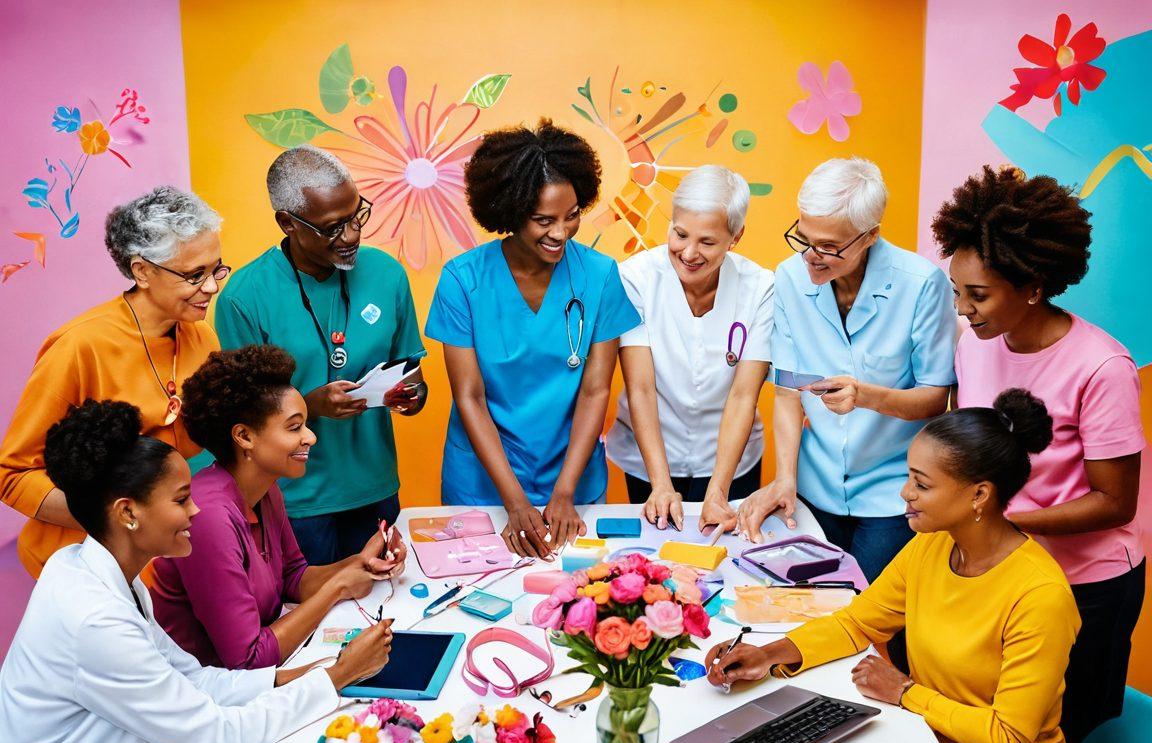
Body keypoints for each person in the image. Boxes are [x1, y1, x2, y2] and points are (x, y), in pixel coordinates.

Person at [0, 399, 391, 743]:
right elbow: (218, 737)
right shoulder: (92, 618)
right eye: (181, 499)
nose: (196, 510)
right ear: (128, 513)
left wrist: (295, 676)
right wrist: (334, 679)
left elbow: (193, 678)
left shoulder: (98, 572)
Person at [709, 389, 1079, 743]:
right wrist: (768, 655)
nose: (905, 493)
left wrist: (904, 691)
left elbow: (1007, 741)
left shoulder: (1039, 596)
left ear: (979, 495)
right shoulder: (931, 548)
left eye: (921, 484)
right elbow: (856, 622)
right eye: (909, 476)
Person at [933, 165, 1145, 743]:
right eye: (958, 292)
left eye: (978, 296)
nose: (964, 310)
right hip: (1011, 571)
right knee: (1001, 734)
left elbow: (1115, 502)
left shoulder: (1102, 367)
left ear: (1032, 286)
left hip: (1085, 585)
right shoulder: (976, 348)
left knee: (1065, 740)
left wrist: (1000, 526)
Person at [425, 119, 641, 559]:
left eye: (572, 215)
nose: (560, 232)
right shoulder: (462, 280)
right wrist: (516, 501)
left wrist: (565, 491)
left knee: (576, 603)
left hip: (572, 477)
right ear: (509, 211)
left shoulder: (599, 276)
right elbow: (470, 397)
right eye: (543, 220)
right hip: (483, 483)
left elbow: (595, 389)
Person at [735, 158, 955, 585]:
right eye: (804, 238)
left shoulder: (922, 284)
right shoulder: (788, 278)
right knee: (805, 607)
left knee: (866, 615)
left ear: (870, 235)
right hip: (813, 488)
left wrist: (866, 395)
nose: (811, 258)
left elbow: (936, 397)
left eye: (830, 247)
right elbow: (785, 392)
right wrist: (785, 479)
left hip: (892, 494)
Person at [214, 145, 427, 566]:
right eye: (332, 227)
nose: (350, 235)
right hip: (294, 502)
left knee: (382, 608)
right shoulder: (243, 298)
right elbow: (243, 419)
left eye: (356, 217)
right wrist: (309, 406)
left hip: (376, 487)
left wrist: (412, 395)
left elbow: (412, 372)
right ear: (288, 223)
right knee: (310, 620)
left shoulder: (388, 274)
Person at [0, 186, 225, 578]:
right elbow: (13, 475)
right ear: (142, 271)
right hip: (81, 564)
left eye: (216, 269)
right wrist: (115, 520)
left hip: (163, 557)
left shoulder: (201, 336)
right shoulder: (78, 347)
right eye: (194, 275)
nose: (211, 287)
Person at [150, 344, 406, 675]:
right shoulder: (208, 517)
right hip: (210, 696)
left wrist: (361, 564)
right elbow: (248, 659)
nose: (310, 437)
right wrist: (338, 586)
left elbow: (292, 577)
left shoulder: (266, 490)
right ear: (244, 436)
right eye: (294, 427)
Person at [604, 165, 774, 531]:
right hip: (649, 452)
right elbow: (641, 387)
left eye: (708, 242)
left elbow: (744, 395)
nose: (689, 253)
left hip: (732, 457)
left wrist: (718, 491)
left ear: (736, 236)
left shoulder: (760, 288)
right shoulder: (636, 278)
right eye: (680, 234)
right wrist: (660, 485)